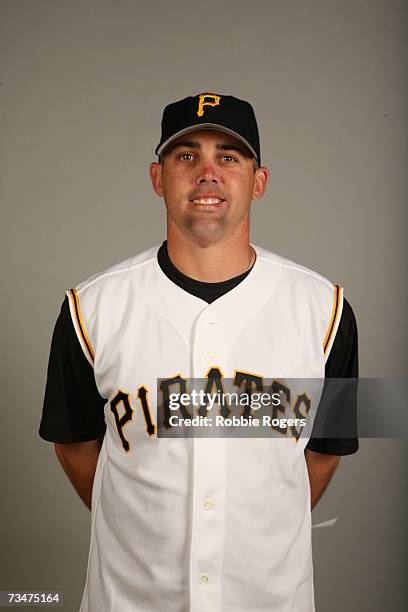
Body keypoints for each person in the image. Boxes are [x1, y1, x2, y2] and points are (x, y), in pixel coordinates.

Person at [40, 92, 358, 612]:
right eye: (186, 155)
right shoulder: (88, 308)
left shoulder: (329, 310)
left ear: (259, 182)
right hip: (130, 601)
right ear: (157, 178)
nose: (207, 172)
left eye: (228, 157)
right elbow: (72, 443)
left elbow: (328, 448)